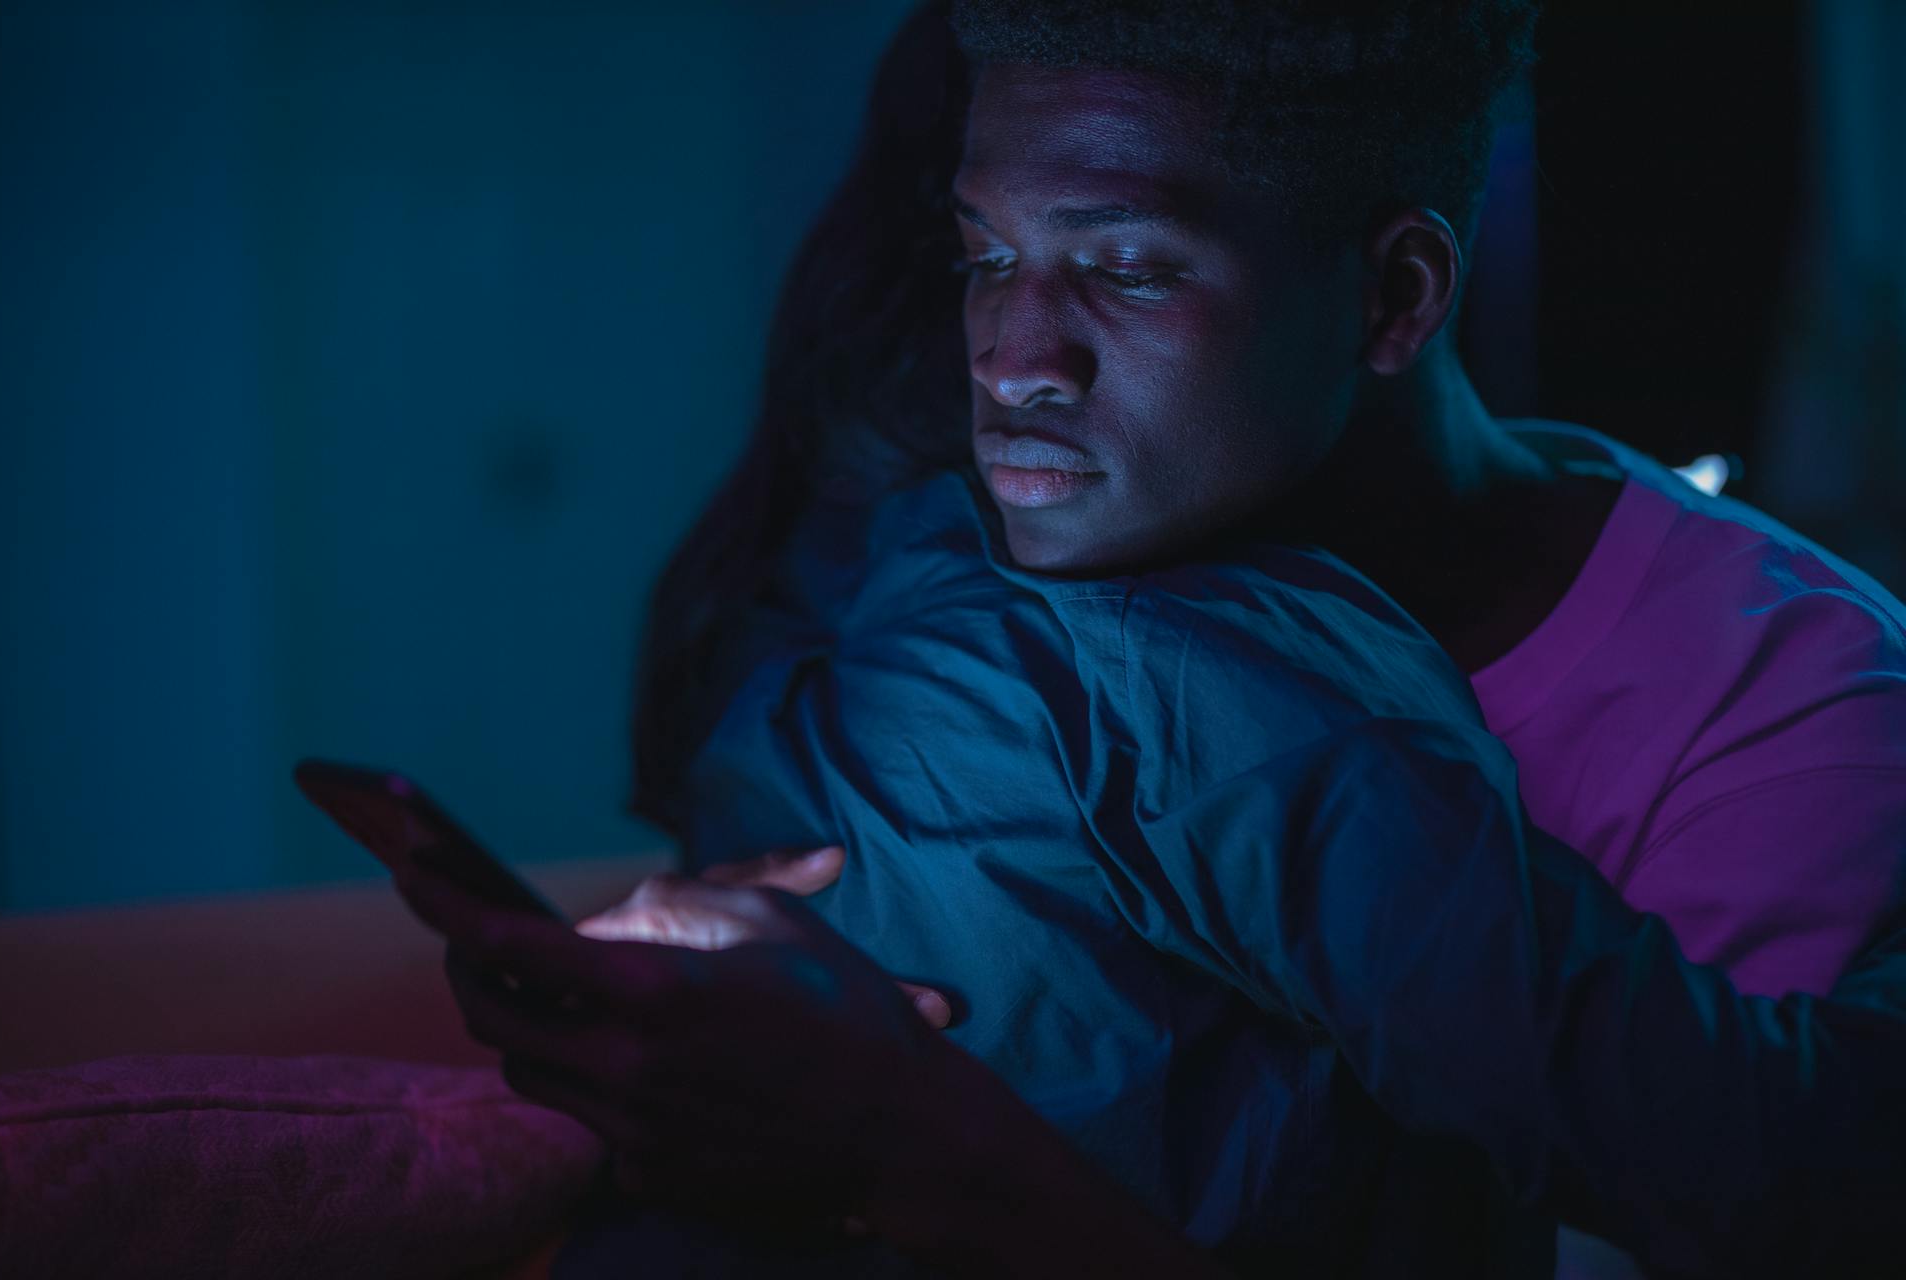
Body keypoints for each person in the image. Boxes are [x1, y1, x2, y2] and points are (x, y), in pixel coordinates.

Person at [395, 2, 1906, 1275]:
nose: (1013, 358)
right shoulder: (971, 565)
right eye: (984, 253)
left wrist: (902, 1139)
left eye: (1124, 266)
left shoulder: (1784, 706)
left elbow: (1766, 1172)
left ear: (1394, 295)